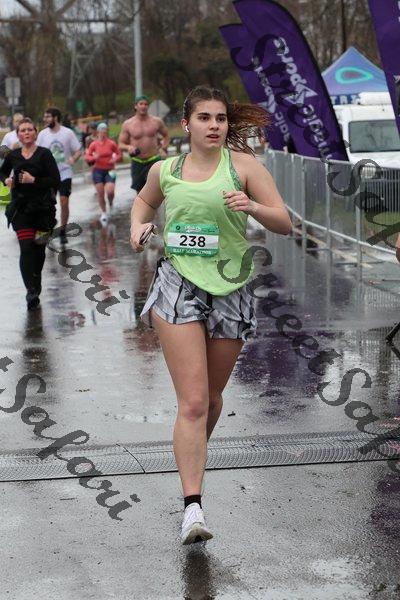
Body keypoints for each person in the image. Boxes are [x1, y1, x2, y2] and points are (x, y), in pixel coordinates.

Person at [130, 85, 292, 544]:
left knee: (213, 400)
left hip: (230, 287)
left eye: (220, 118)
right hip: (177, 284)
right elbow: (144, 202)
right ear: (186, 125)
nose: (214, 125)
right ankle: (192, 507)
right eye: (204, 118)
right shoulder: (166, 170)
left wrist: (253, 206)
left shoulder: (244, 168)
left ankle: (192, 454)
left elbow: (284, 222)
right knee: (194, 402)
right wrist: (138, 227)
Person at [0, 118, 60, 309]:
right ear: (18, 134)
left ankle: (36, 279)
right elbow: (2, 172)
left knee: (39, 249)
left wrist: (34, 180)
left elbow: (55, 180)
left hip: (43, 210)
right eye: (23, 130)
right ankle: (31, 291)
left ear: (35, 133)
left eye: (29, 129)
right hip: (21, 209)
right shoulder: (13, 156)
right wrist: (6, 180)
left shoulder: (44, 154)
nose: (26, 132)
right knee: (26, 248)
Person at [37, 107, 81, 245]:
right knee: (48, 204)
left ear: (55, 118)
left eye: (48, 117)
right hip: (48, 176)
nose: (45, 119)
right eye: (45, 116)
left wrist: (73, 158)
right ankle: (50, 226)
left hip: (64, 172)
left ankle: (62, 230)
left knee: (64, 201)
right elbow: (37, 152)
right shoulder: (43, 134)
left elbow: (78, 150)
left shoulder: (67, 133)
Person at [118, 95, 170, 195]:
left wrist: (164, 148)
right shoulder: (128, 124)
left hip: (154, 159)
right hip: (138, 161)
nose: (143, 106)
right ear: (136, 106)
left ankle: (156, 205)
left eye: (146, 104)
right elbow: (120, 144)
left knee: (157, 190)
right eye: (141, 104)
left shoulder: (156, 121)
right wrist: (128, 147)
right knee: (140, 192)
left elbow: (166, 135)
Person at [85, 122, 122, 224]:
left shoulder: (111, 143)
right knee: (100, 193)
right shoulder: (93, 144)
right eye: (101, 130)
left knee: (110, 191)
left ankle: (111, 203)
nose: (103, 132)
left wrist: (115, 159)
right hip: (97, 170)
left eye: (105, 130)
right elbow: (87, 156)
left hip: (110, 170)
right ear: (98, 132)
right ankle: (104, 212)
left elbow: (119, 154)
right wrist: (93, 158)